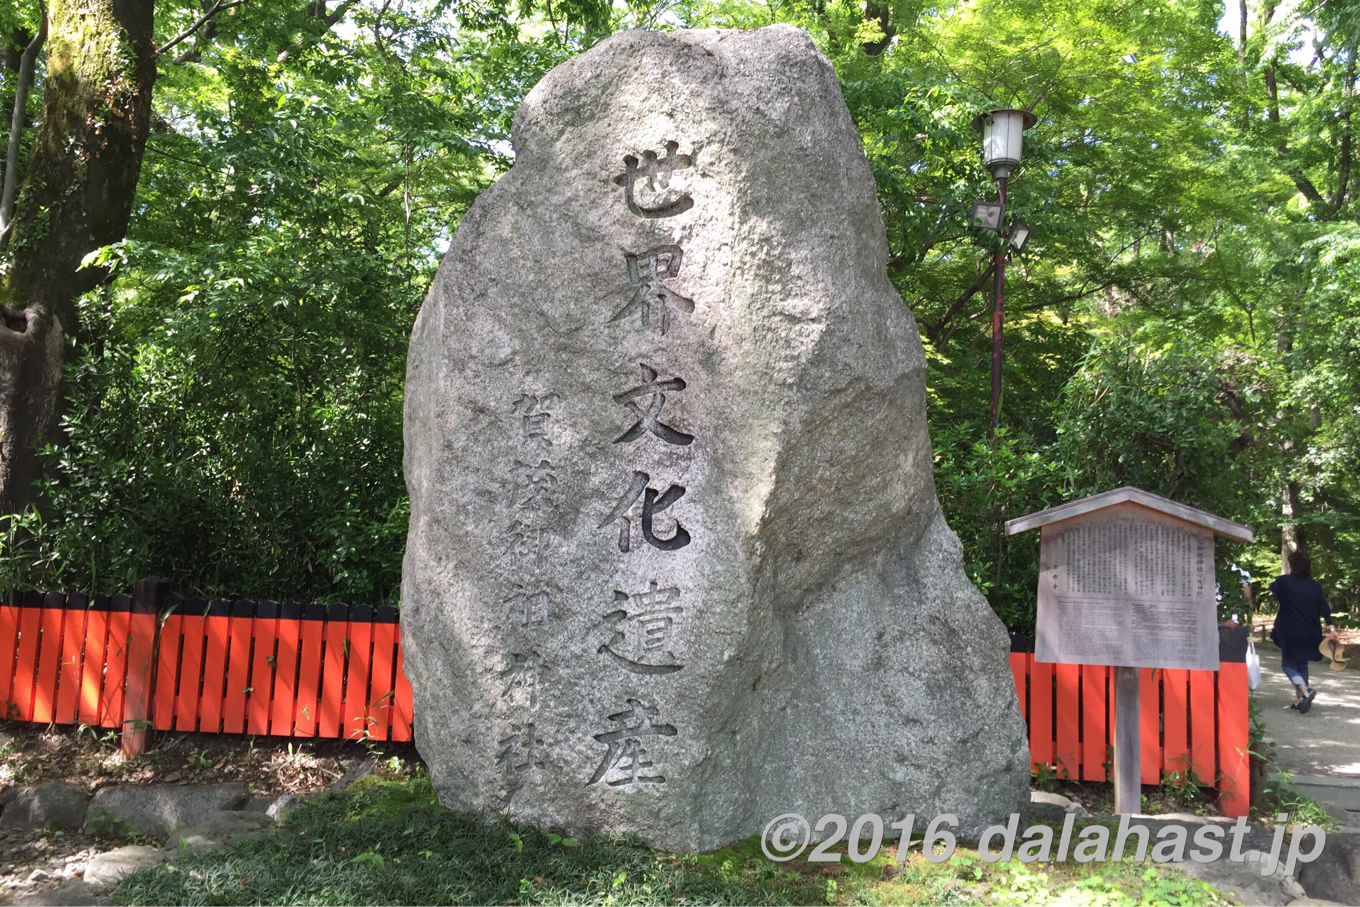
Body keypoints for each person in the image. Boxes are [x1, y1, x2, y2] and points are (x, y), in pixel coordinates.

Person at [1269, 551, 1339, 714]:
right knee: (1302, 663)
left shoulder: (1284, 582)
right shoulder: (1314, 585)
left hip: (1290, 630)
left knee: (1288, 664)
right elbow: (1324, 607)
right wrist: (1332, 628)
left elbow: (1274, 590)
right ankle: (1300, 700)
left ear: (1292, 566)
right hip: (1311, 631)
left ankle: (1305, 690)